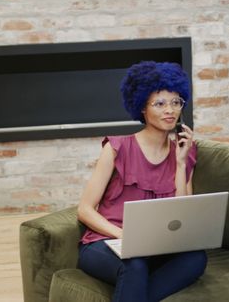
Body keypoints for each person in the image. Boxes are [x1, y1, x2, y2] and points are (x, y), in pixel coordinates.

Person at [77, 61, 206, 302]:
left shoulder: (185, 151)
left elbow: (182, 214)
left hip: (155, 247)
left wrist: (180, 163)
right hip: (107, 242)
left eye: (176, 102)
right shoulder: (117, 148)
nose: (170, 110)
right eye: (160, 103)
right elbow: (84, 210)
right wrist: (124, 236)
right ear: (142, 108)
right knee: (134, 264)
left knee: (196, 258)